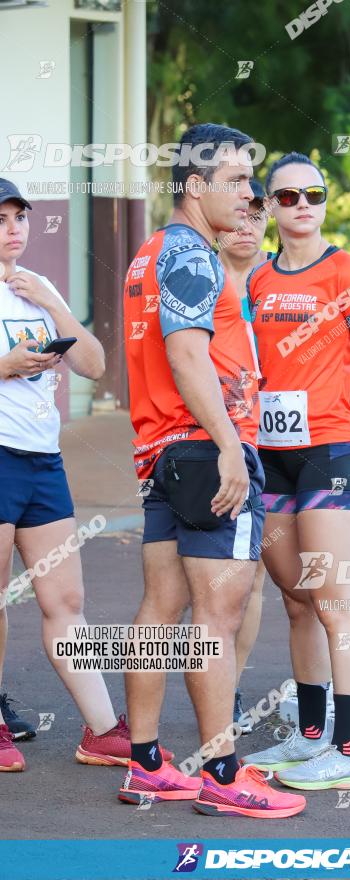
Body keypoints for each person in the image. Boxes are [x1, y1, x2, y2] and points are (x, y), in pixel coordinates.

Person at [121, 124, 305, 819]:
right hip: (206, 452)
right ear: (194, 187)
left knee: (160, 609)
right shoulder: (193, 255)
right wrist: (230, 445)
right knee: (216, 619)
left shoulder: (148, 255)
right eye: (235, 181)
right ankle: (223, 775)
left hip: (164, 454)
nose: (250, 195)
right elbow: (187, 356)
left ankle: (144, 765)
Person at [242, 152, 350, 790]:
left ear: (326, 202)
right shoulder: (256, 281)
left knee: (334, 601)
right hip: (273, 459)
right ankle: (309, 739)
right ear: (270, 208)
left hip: (331, 453)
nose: (302, 204)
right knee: (297, 600)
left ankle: (348, 751)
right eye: (287, 196)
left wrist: (325, 406)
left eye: (314, 193)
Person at [0, 178, 161, 772]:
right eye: (1, 219)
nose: (14, 228)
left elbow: (94, 365)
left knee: (66, 598)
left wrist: (55, 305)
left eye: (19, 217)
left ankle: (100, 732)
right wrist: (6, 366)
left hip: (43, 462)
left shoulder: (36, 290)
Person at [218, 179, 272, 734]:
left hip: (272, 446)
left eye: (259, 216)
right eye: (241, 213)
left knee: (250, 579)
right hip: (208, 447)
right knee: (192, 582)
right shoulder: (200, 278)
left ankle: (229, 690)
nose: (248, 225)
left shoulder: (276, 283)